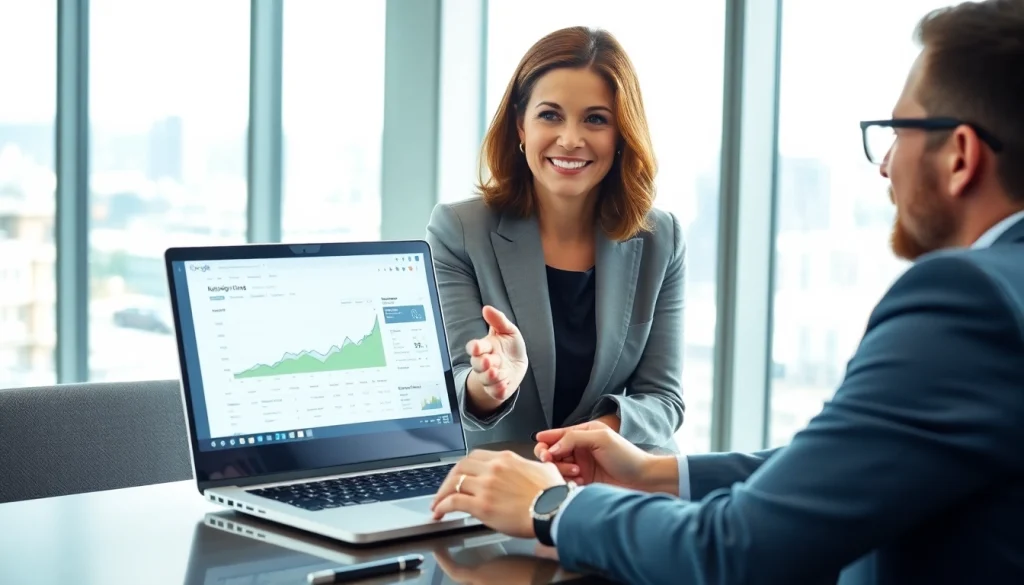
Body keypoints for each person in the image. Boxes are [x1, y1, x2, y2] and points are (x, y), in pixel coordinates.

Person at [428, 2, 1024, 584]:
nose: (885, 164)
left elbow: (736, 546)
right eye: (551, 116)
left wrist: (553, 508)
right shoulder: (999, 288)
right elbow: (835, 467)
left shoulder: (966, 298)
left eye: (896, 130)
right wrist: (657, 473)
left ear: (962, 157)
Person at [425, 26, 685, 450]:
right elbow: (454, 387)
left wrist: (595, 437)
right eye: (550, 115)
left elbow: (663, 399)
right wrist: (488, 385)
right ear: (520, 127)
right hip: (503, 483)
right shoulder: (459, 230)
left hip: (623, 482)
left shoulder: (661, 239)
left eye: (595, 119)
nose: (570, 139)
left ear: (621, 134)